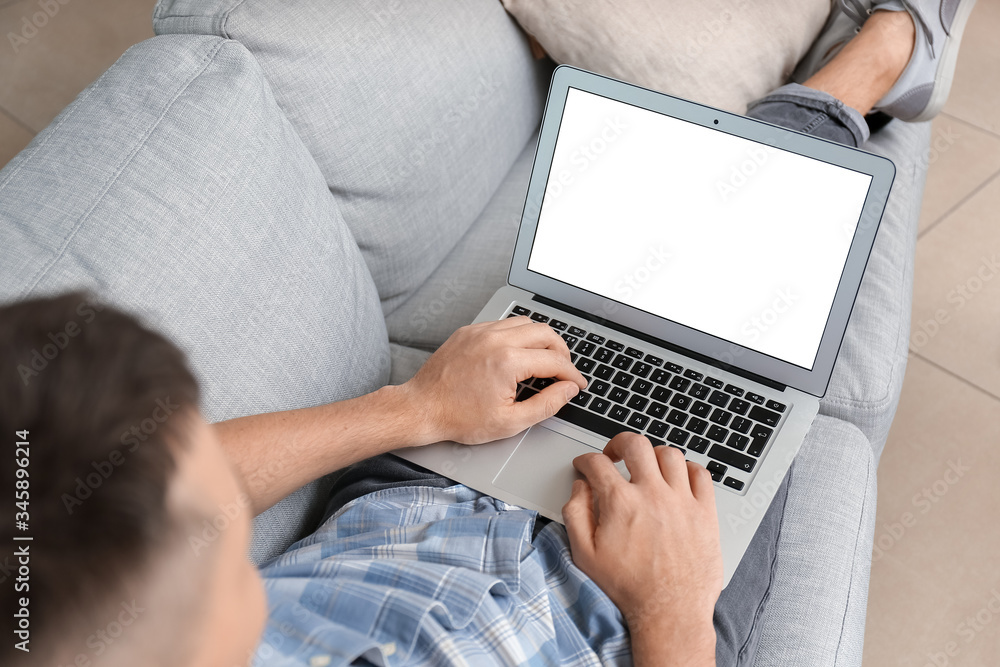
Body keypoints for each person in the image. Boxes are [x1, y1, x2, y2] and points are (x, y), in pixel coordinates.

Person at [0, 1, 974, 665]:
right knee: (746, 280)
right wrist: (671, 612)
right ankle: (880, 55)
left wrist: (408, 406)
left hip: (421, 490)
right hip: (626, 602)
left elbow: (140, 491)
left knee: (636, 274)